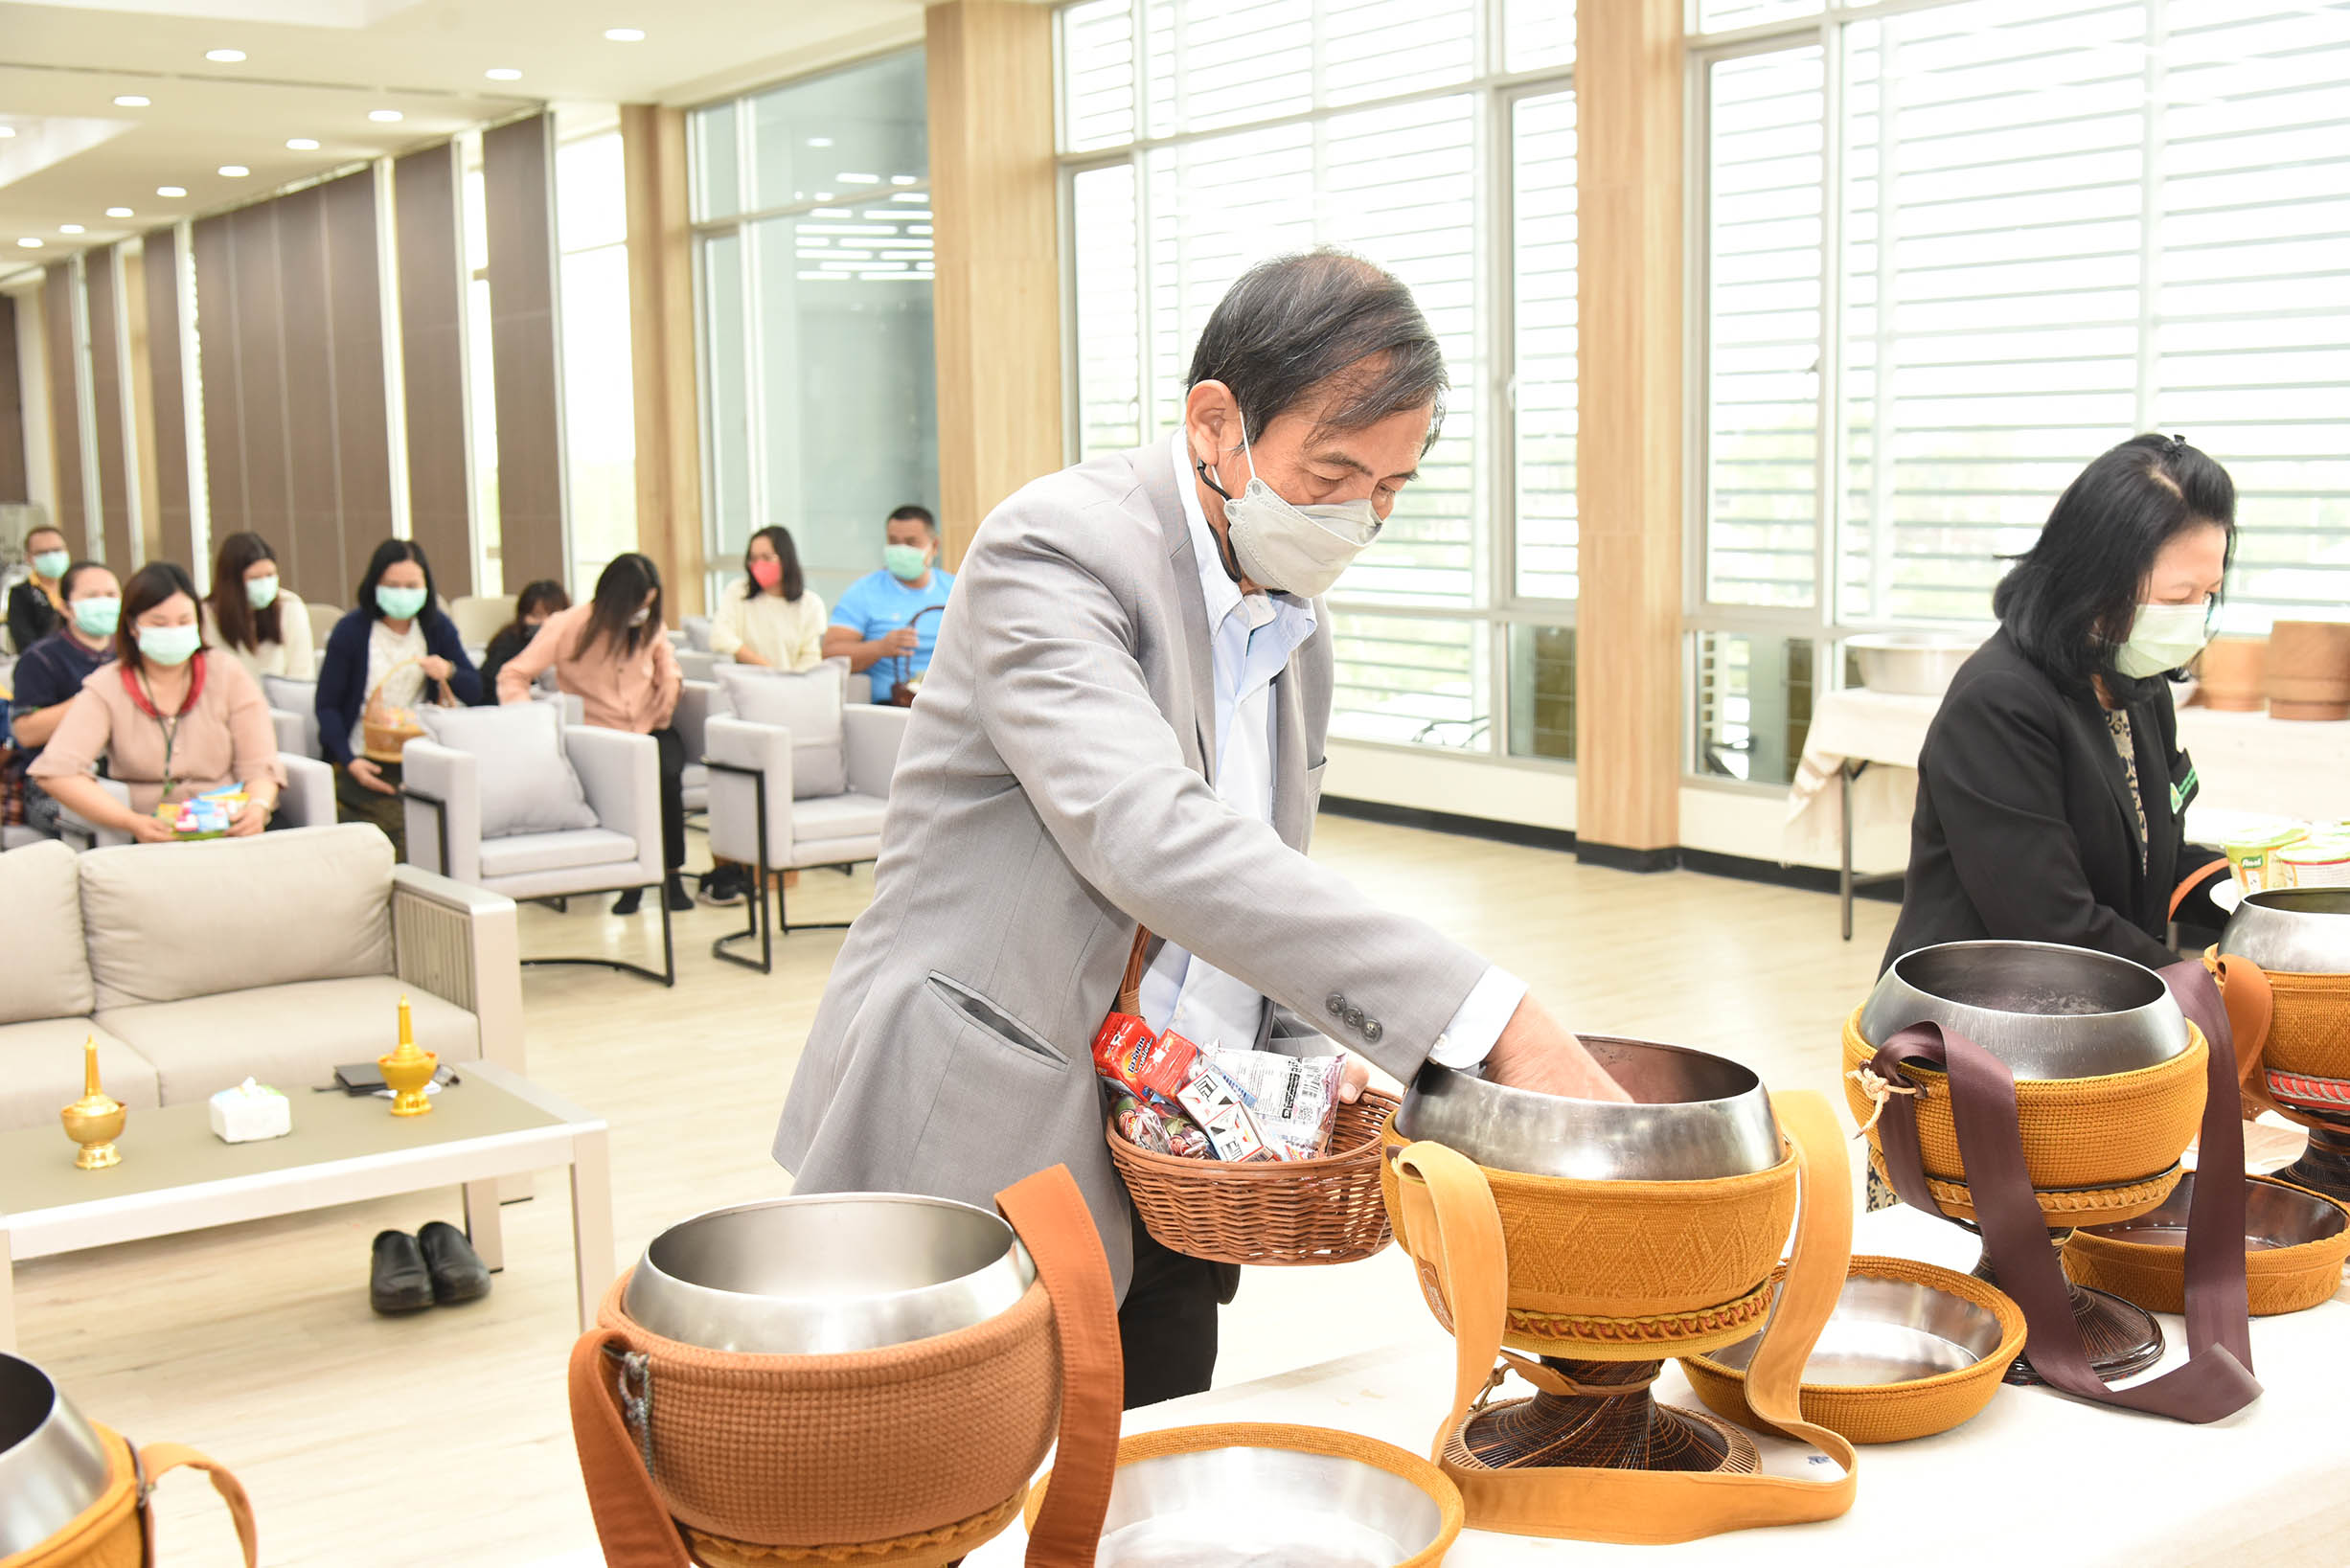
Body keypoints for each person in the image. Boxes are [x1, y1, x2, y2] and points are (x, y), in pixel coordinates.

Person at [774, 250, 1627, 1409]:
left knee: (1153, 1461)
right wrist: (1487, 1020)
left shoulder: (1291, 622)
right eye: (1332, 471)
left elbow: (1258, 876)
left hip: (1170, 1154)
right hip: (981, 1128)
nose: (1359, 516)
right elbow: (1150, 835)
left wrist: (1308, 1066)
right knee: (949, 1465)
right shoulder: (1056, 550)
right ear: (1216, 423)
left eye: (1391, 486)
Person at [1884, 434, 2235, 975]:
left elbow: (2152, 865)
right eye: (2177, 597)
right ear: (2096, 579)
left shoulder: (2136, 684)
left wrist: (2265, 900)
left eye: (2208, 594)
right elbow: (2050, 923)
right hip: (1982, 1005)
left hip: (2094, 994)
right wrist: (2199, 986)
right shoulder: (2000, 703)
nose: (2195, 614)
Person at [31, 561, 282, 840]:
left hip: (229, 827)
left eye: (184, 621)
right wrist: (129, 821)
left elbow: (260, 764)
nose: (173, 631)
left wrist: (257, 807)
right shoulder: (107, 685)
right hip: (149, 833)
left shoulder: (228, 673)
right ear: (132, 626)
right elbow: (57, 772)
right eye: (159, 623)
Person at [497, 553, 689, 915]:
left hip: (650, 726)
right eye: (637, 606)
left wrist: (670, 683)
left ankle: (672, 874)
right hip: (601, 736)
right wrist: (529, 723)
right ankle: (632, 879)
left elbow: (668, 663)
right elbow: (514, 675)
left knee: (666, 774)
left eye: (648, 606)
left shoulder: (651, 625)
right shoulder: (568, 626)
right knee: (629, 782)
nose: (642, 614)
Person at [316, 540, 481, 857]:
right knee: (403, 834)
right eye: (393, 586)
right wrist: (350, 761)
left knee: (454, 825)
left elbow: (475, 690)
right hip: (364, 760)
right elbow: (327, 706)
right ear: (375, 584)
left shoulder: (436, 627)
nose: (402, 594)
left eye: (412, 586)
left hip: (422, 756)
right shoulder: (350, 631)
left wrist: (448, 670)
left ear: (426, 587)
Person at [7, 560, 120, 837]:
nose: (103, 603)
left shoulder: (131, 654)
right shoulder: (41, 659)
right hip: (52, 782)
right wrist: (95, 697)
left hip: (122, 772)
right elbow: (26, 733)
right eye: (91, 596)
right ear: (65, 606)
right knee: (102, 821)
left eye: (110, 595)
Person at [824, 505, 955, 702]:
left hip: (951, 702)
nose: (901, 550)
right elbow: (831, 655)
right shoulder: (864, 592)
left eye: (911, 543)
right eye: (893, 542)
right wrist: (880, 648)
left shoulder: (955, 589)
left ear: (934, 546)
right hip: (890, 706)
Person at [201, 531, 315, 682]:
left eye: (270, 575)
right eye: (254, 578)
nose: (264, 584)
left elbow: (302, 676)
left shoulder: (290, 607)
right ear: (231, 583)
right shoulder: (207, 615)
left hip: (281, 696)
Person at [711, 526, 827, 671]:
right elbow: (720, 637)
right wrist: (767, 669)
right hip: (746, 680)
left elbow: (812, 658)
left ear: (786, 559)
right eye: (753, 559)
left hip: (794, 683)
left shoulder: (811, 604)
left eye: (767, 558)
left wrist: (783, 681)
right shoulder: (738, 591)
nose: (759, 565)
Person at [477, 579, 571, 696]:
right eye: (536, 615)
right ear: (522, 616)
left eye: (552, 615)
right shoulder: (506, 644)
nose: (545, 622)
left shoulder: (575, 642)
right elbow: (490, 685)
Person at [7, 523, 72, 653]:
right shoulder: (21, 594)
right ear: (28, 558)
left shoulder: (80, 586)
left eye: (57, 550)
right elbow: (25, 643)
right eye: (42, 552)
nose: (51, 557)